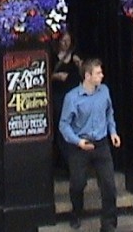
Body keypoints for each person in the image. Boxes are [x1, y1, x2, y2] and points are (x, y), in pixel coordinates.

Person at [59, 58, 120, 231]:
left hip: (101, 144)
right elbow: (64, 125)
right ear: (88, 76)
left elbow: (109, 113)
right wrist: (78, 141)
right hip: (80, 145)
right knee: (78, 184)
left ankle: (108, 224)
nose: (102, 75)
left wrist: (113, 132)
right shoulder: (72, 98)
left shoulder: (104, 91)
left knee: (109, 185)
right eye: (98, 73)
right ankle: (76, 212)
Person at [50, 32, 83, 171]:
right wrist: (55, 76)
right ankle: (64, 161)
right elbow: (45, 76)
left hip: (73, 96)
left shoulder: (74, 56)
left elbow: (83, 76)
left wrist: (80, 64)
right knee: (62, 126)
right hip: (59, 95)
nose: (66, 44)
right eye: (63, 41)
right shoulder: (51, 57)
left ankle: (76, 161)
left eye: (68, 41)